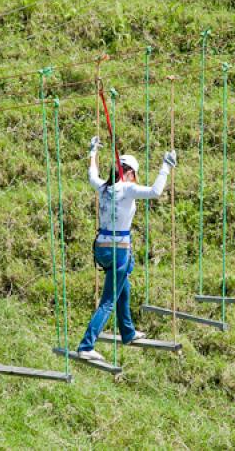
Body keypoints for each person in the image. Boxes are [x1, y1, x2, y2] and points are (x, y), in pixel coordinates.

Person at [77, 135, 177, 361]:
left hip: (101, 249)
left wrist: (93, 152)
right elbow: (155, 192)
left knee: (124, 286)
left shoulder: (102, 187)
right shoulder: (128, 189)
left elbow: (91, 174)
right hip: (119, 250)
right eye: (135, 175)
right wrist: (166, 167)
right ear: (130, 173)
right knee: (108, 301)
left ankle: (128, 331)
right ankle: (86, 345)